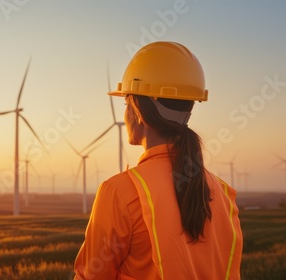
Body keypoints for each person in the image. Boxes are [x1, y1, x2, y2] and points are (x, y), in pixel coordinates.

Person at [74, 41, 243, 279]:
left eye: (126, 103)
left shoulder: (119, 192)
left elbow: (91, 276)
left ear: (137, 111)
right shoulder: (224, 195)